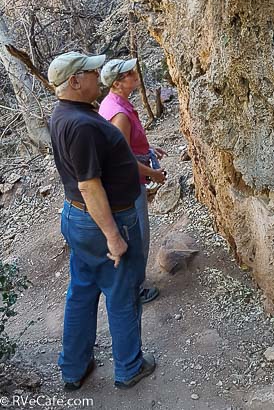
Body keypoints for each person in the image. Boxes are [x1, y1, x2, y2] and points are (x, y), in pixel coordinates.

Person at [48, 51, 155, 391]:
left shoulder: (64, 115)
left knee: (82, 291)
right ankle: (129, 368)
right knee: (122, 293)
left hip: (78, 219)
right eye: (92, 72)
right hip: (103, 220)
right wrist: (113, 235)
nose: (99, 77)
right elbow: (89, 184)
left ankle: (74, 367)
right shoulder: (81, 125)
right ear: (75, 81)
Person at [99, 58, 167, 304]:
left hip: (123, 181)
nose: (135, 74)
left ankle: (130, 285)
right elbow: (123, 159)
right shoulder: (119, 114)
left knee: (134, 232)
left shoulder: (112, 104)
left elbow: (124, 148)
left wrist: (149, 149)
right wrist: (154, 174)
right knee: (138, 234)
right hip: (127, 183)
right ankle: (135, 290)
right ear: (118, 83)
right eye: (129, 73)